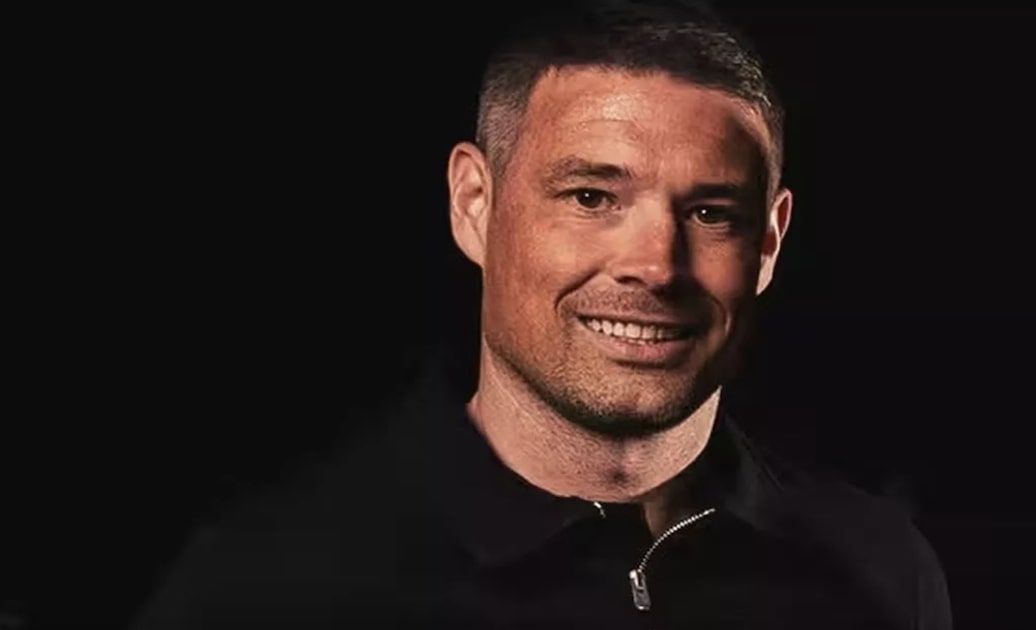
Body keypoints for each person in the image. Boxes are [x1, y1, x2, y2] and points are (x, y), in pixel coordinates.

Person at [131, 1, 952, 628]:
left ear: (768, 242)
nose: (655, 266)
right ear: (473, 205)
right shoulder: (272, 586)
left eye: (711, 213)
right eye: (591, 197)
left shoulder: (879, 573)